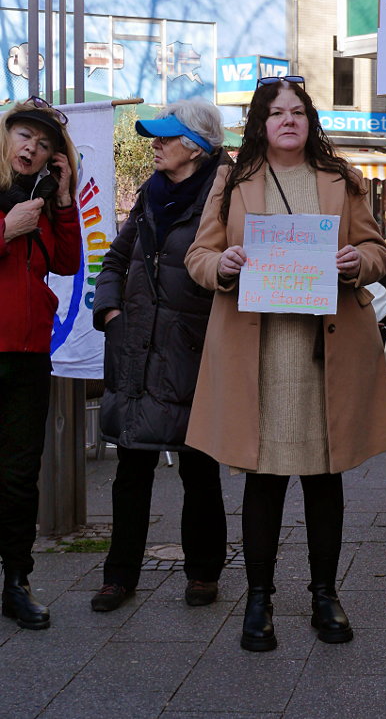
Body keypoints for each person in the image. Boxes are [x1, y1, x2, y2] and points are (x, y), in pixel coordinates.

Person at [183, 77, 386, 652]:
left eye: (298, 111)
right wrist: (223, 265)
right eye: (277, 112)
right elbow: (198, 256)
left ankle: (325, 595)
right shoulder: (234, 181)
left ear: (310, 120)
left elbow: (380, 253)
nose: (288, 120)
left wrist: (360, 261)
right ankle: (259, 599)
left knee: (324, 477)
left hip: (324, 352)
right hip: (259, 352)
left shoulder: (342, 179)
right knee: (265, 477)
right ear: (260, 122)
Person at [89, 99, 229, 613]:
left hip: (196, 352)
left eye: (166, 138)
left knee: (199, 468)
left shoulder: (227, 195)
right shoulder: (151, 194)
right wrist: (110, 314)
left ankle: (204, 573)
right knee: (132, 468)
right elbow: (115, 259)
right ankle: (118, 576)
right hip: (139, 349)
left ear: (194, 146)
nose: (155, 145)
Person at [0, 97, 81, 630]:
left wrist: (65, 200)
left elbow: (69, 262)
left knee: (18, 477)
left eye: (45, 143)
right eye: (25, 135)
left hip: (28, 355)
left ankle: (17, 581)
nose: (32, 147)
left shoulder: (42, 198)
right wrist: (7, 229)